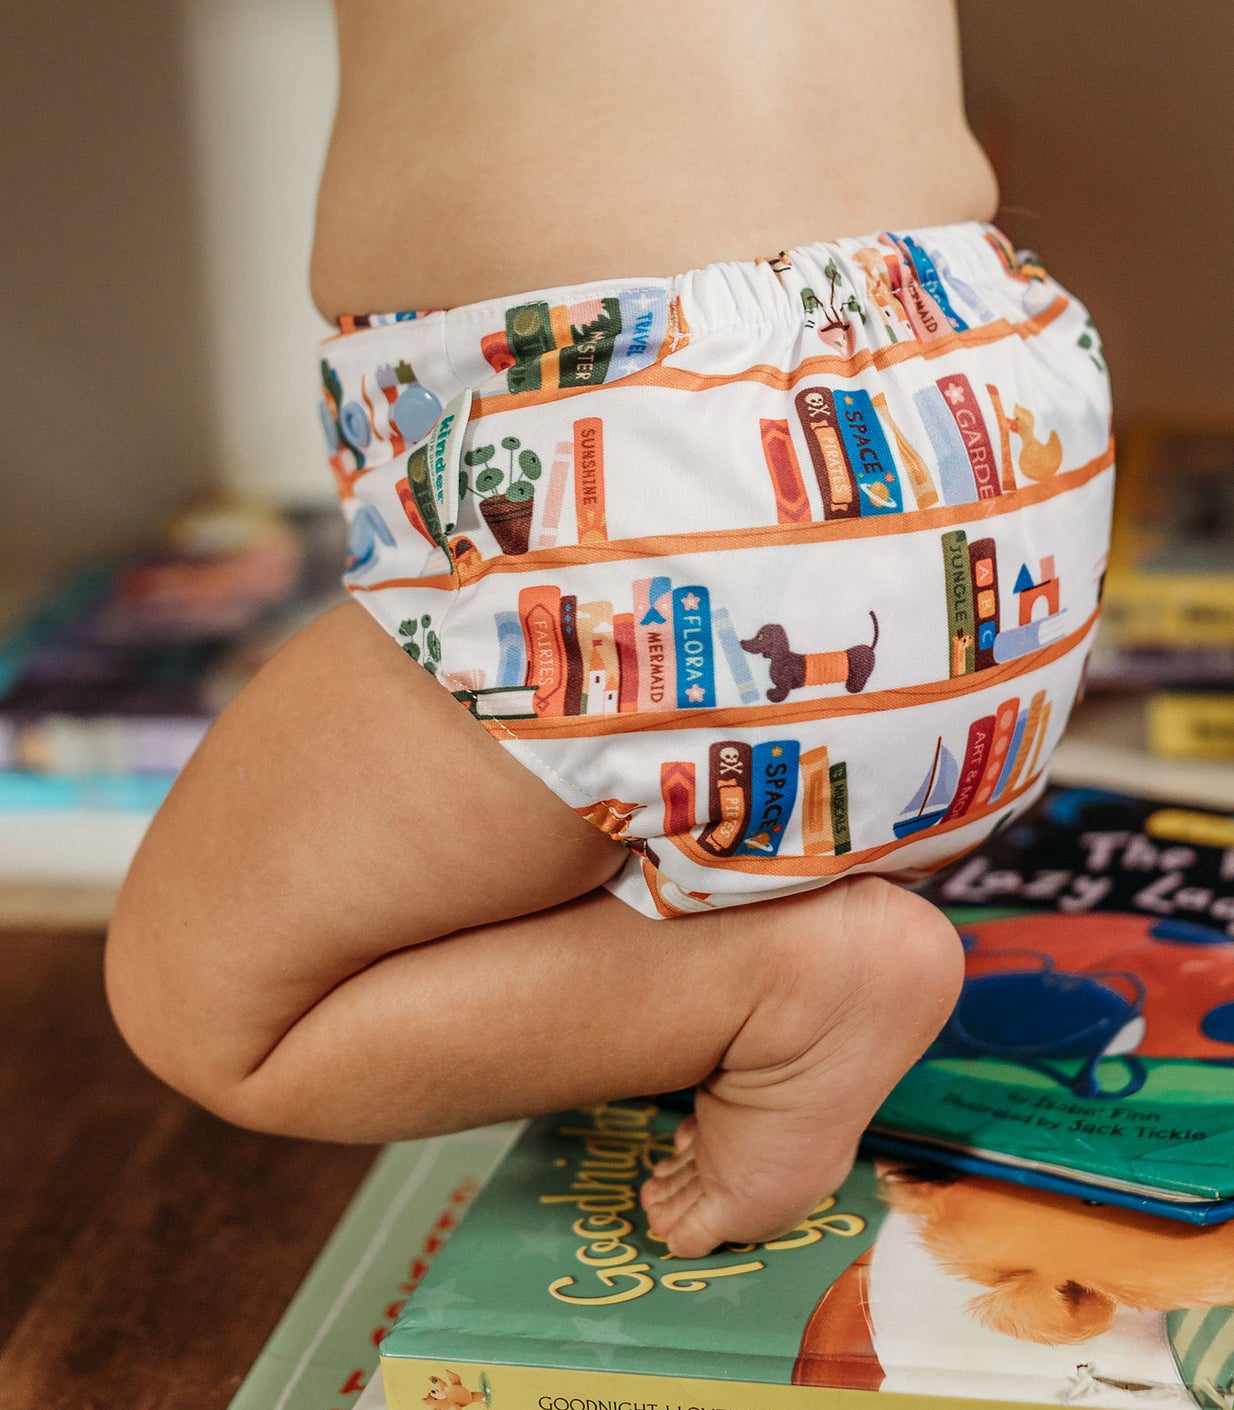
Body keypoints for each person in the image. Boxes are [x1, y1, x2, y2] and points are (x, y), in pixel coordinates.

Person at [105, 0, 1113, 1260]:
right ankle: (750, 946)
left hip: (635, 436)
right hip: (984, 405)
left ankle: (788, 983)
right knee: (608, 807)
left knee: (212, 1011)